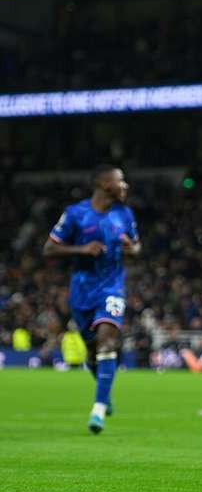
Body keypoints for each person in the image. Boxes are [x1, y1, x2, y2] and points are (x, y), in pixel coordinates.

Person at [43, 165, 140, 434]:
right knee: (92, 352)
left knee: (108, 339)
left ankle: (98, 409)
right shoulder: (76, 214)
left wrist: (132, 249)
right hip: (81, 291)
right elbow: (49, 248)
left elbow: (137, 246)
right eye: (121, 181)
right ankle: (104, 392)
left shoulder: (125, 213)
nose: (125, 186)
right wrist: (82, 249)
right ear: (104, 183)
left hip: (112, 287)